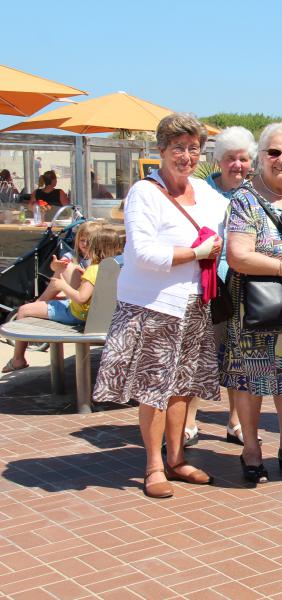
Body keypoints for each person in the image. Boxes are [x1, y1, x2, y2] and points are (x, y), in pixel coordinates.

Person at [92, 113, 226, 498]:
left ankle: (177, 458)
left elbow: (235, 211)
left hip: (193, 304)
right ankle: (153, 466)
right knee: (154, 389)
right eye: (178, 149)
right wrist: (197, 252)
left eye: (193, 149)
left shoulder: (204, 191)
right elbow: (143, 254)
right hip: (153, 307)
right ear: (162, 151)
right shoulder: (144, 192)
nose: (186, 156)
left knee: (183, 387)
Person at [220, 121, 282, 484]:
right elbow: (238, 256)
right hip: (253, 307)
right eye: (274, 152)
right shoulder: (246, 199)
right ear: (260, 156)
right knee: (250, 378)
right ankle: (251, 449)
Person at [179, 126, 258, 448]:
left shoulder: (255, 193)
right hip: (205, 285)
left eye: (243, 159)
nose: (237, 165)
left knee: (238, 356)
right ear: (218, 161)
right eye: (230, 158)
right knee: (199, 354)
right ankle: (189, 421)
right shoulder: (199, 191)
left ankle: (235, 421)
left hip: (242, 286)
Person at [2, 226, 121, 373]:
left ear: (96, 247)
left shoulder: (93, 270)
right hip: (91, 314)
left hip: (76, 313)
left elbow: (81, 298)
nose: (84, 245)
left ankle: (18, 359)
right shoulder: (110, 267)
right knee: (49, 293)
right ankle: (43, 301)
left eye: (89, 243)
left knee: (24, 311)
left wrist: (62, 285)